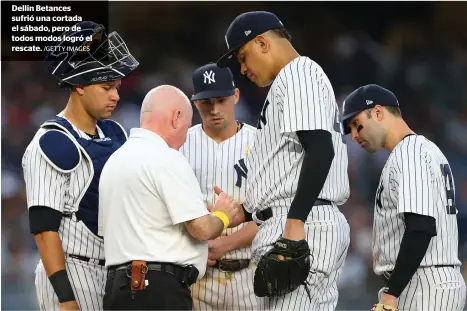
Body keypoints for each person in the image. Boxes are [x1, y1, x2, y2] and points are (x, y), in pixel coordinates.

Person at [216, 11, 351, 311]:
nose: (242, 68)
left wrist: (294, 223)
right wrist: (249, 212)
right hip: (300, 220)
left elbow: (320, 149)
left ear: (263, 43)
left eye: (243, 56)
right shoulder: (290, 81)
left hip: (302, 223)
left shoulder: (298, 72)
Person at [22, 21, 139, 311]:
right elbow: (43, 230)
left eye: (117, 87)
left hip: (114, 269)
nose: (116, 95)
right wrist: (66, 299)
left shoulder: (115, 133)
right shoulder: (51, 141)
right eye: (106, 87)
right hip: (73, 270)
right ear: (79, 86)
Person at [98, 85, 244, 310]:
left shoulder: (114, 162)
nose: (185, 137)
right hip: (158, 290)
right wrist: (222, 215)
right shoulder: (166, 157)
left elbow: (145, 227)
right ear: (176, 117)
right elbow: (202, 229)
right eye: (186, 127)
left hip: (117, 290)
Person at [340, 84, 466, 311]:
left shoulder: (410, 154)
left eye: (356, 124)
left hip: (424, 286)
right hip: (426, 282)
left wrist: (391, 294)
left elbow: (421, 227)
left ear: (378, 112)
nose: (355, 135)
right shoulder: (421, 150)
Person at [179, 63, 258, 310]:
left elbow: (276, 212)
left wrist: (224, 244)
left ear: (235, 96)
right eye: (206, 102)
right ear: (195, 103)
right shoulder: (180, 144)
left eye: (221, 100)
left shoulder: (261, 143)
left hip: (251, 272)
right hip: (198, 276)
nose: (214, 109)